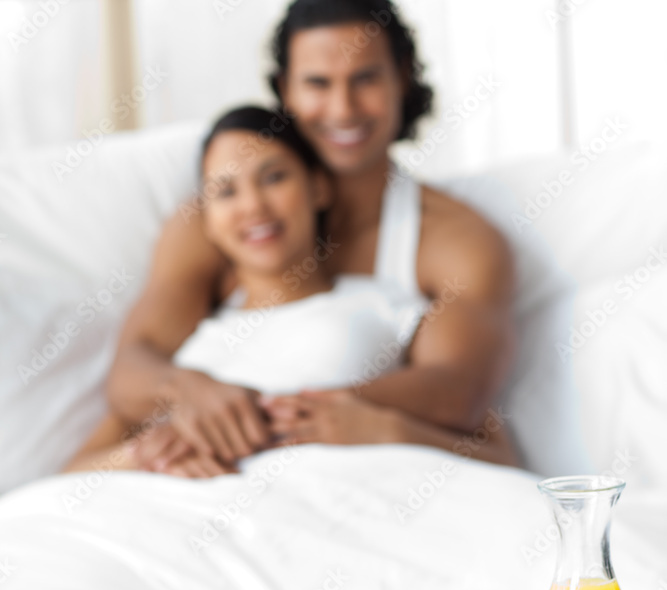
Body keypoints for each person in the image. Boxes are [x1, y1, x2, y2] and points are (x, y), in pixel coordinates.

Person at [103, 0, 516, 474]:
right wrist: (186, 392)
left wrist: (285, 415)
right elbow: (132, 369)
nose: (342, 109)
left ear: (402, 78)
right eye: (317, 83)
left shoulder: (456, 241)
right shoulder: (215, 222)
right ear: (285, 89)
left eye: (366, 79)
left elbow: (458, 392)